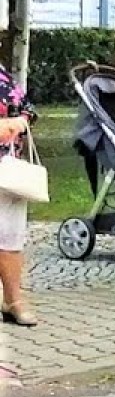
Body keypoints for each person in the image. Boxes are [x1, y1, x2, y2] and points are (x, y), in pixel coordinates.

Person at [0, 61, 40, 325]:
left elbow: (27, 106)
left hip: (9, 166)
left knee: (11, 235)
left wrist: (21, 122)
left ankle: (13, 299)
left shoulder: (1, 73)